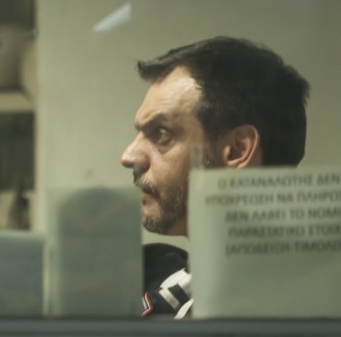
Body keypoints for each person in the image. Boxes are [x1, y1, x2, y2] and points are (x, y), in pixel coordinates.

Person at [120, 36, 310, 318]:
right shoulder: (156, 275)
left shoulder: (280, 312)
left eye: (161, 133)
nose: (129, 156)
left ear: (237, 150)